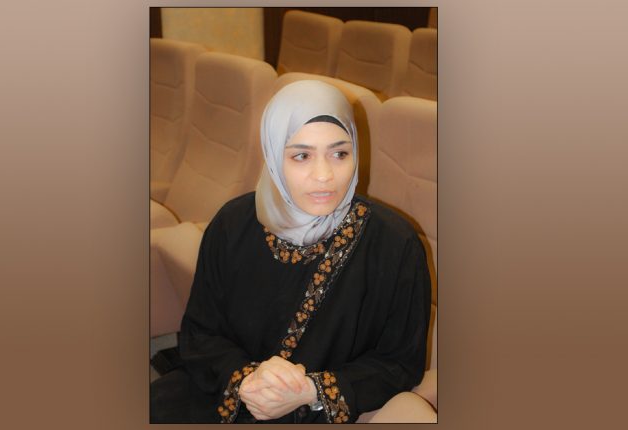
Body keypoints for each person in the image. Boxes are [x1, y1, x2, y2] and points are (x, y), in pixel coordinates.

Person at [150, 80, 431, 423]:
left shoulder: (394, 244)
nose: (324, 175)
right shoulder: (233, 224)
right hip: (224, 390)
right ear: (272, 155)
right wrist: (246, 380)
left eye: (339, 154)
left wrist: (311, 391)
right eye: (302, 156)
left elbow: (399, 363)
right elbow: (201, 332)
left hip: (318, 412)